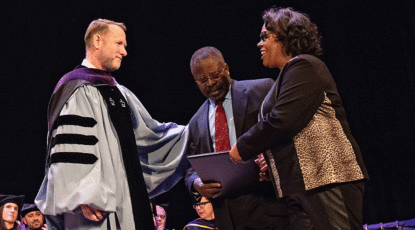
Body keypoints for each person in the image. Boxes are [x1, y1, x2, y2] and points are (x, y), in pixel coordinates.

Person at [35, 19, 188, 230]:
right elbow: (71, 148)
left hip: (130, 201)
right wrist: (83, 194)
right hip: (94, 207)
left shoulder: (119, 90)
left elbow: (150, 133)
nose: (124, 52)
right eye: (119, 43)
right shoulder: (76, 88)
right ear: (97, 40)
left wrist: (193, 132)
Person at [229, 7, 369, 229]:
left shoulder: (304, 65)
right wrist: (270, 160)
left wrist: (243, 147)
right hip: (299, 187)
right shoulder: (284, 79)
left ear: (286, 37)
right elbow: (292, 132)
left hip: (327, 178)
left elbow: (283, 121)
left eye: (265, 36)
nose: (259, 43)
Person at [185, 46, 289, 229]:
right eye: (202, 79)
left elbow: (287, 131)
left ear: (226, 69)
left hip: (270, 206)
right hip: (227, 217)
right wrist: (197, 183)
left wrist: (272, 158)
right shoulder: (195, 122)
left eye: (215, 75)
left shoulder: (262, 89)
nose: (210, 83)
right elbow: (191, 169)